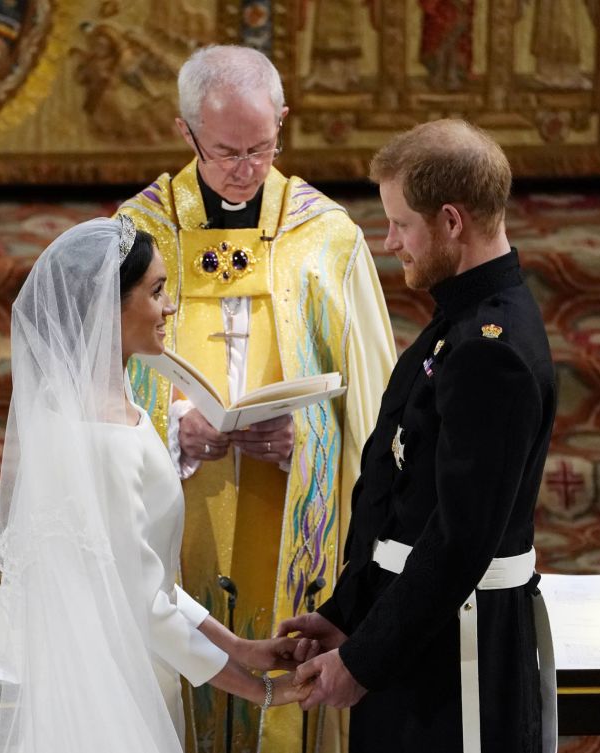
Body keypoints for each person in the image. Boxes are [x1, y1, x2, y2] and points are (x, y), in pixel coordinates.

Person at [117, 45, 396, 752]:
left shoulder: (326, 237)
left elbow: (375, 405)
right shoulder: (138, 233)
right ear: (185, 135)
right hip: (184, 505)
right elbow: (94, 382)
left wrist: (310, 441)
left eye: (262, 147)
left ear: (283, 121)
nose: (246, 168)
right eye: (225, 152)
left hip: (292, 508)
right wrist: (173, 431)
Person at [0, 217, 310, 753]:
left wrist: (240, 646)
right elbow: (146, 609)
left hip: (119, 663)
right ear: (108, 310)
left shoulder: (97, 407)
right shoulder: (103, 436)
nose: (171, 308)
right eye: (157, 291)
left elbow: (147, 579)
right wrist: (261, 691)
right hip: (110, 687)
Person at [278, 119, 559, 753]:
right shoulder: (459, 323)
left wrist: (363, 661)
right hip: (417, 633)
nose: (391, 242)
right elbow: (401, 501)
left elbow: (460, 542)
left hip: (459, 653)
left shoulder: (492, 351)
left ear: (452, 222)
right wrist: (345, 613)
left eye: (401, 224)